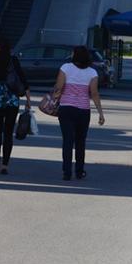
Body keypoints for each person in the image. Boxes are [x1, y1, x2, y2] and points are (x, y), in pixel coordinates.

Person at [51, 46, 105, 180]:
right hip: (83, 110)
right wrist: (100, 113)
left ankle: (67, 172)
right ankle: (79, 171)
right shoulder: (92, 72)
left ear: (75, 55)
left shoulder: (66, 68)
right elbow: (94, 93)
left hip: (66, 108)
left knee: (67, 140)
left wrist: (54, 99)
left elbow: (58, 88)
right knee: (80, 142)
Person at [0, 35, 31, 175]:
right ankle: (5, 165)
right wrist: (28, 100)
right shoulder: (13, 60)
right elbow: (23, 79)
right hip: (12, 98)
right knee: (8, 132)